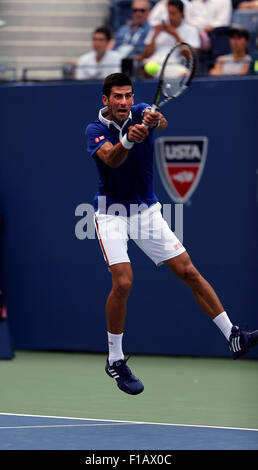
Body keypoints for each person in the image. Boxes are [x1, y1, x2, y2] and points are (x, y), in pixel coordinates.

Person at [85, 72, 258, 395]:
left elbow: (159, 121)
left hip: (146, 210)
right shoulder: (94, 129)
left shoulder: (140, 112)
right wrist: (128, 139)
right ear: (105, 100)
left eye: (128, 96)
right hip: (111, 213)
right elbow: (111, 159)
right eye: (117, 97)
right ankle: (115, 359)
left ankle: (232, 335)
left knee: (189, 272)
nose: (124, 102)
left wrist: (155, 119)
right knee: (123, 281)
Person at [143, 0, 200, 67]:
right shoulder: (158, 28)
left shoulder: (191, 30)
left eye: (173, 14)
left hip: (175, 65)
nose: (170, 17)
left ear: (182, 14)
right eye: (169, 13)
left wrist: (175, 35)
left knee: (183, 74)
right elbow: (146, 55)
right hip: (152, 64)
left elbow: (190, 57)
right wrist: (154, 36)